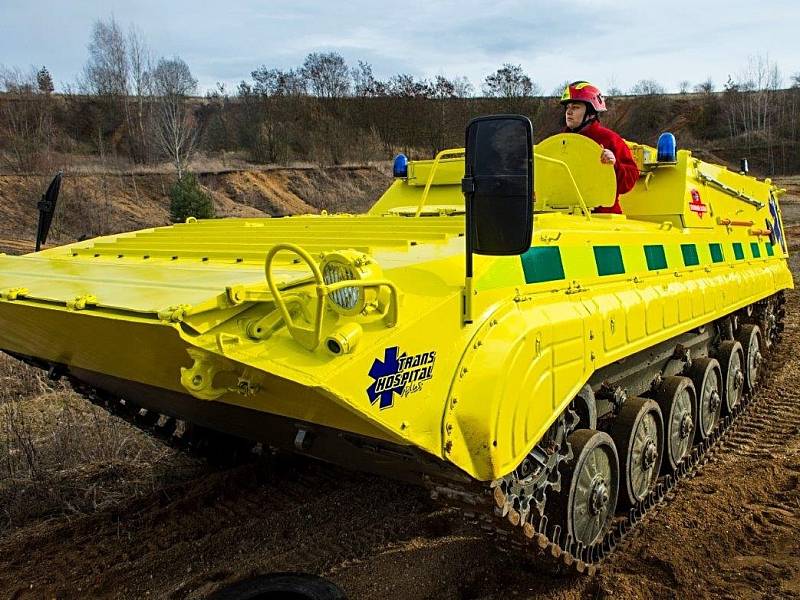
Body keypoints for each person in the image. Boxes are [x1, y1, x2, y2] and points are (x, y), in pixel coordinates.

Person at [561, 81, 639, 214]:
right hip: (564, 216)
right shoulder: (559, 142)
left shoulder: (610, 139)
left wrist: (614, 164)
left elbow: (629, 181)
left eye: (575, 107)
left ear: (591, 112)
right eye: (568, 107)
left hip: (604, 218)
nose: (569, 112)